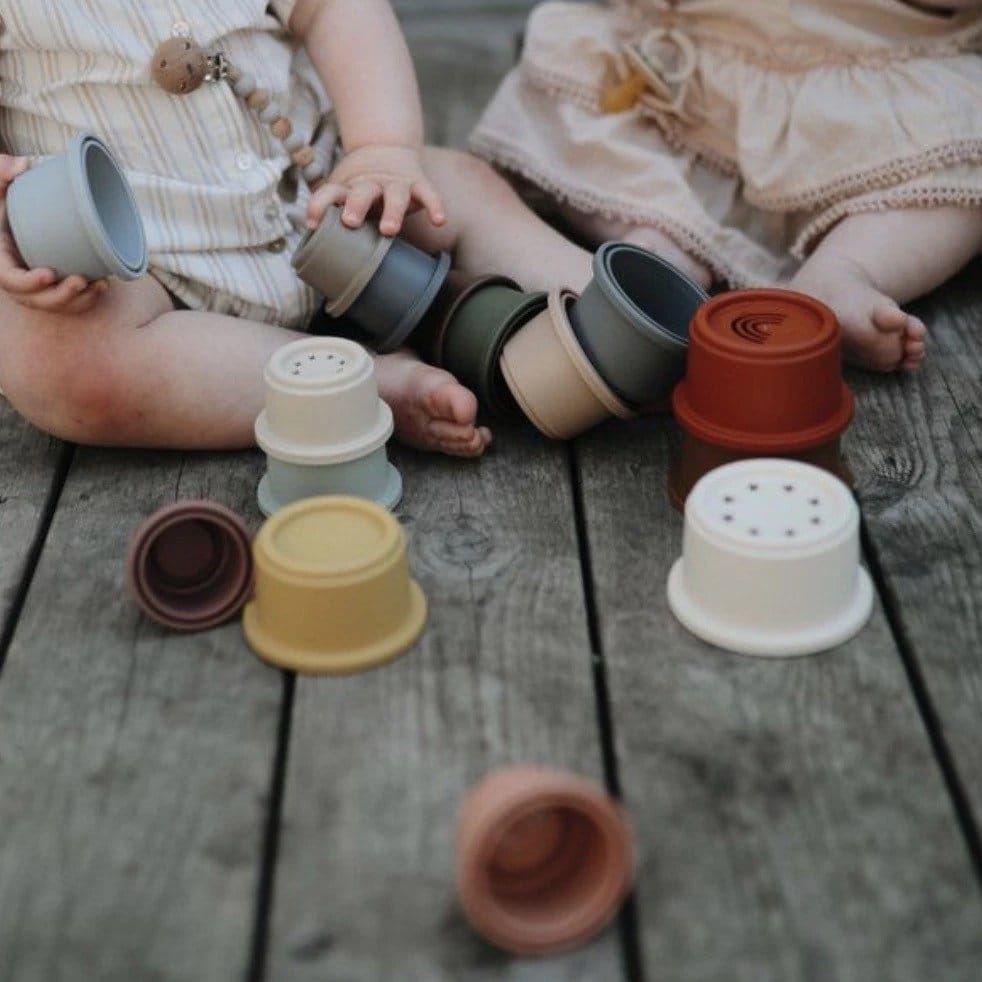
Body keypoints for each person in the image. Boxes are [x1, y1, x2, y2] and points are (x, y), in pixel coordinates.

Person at [0, 0, 592, 455]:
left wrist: (382, 147)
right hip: (142, 268)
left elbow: (332, 9)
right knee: (57, 365)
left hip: (330, 196)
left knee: (460, 184)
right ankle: (365, 385)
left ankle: (612, 314)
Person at [471, 0, 982, 371]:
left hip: (866, 106)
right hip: (687, 80)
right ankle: (658, 236)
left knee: (966, 141)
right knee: (568, 96)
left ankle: (844, 271)